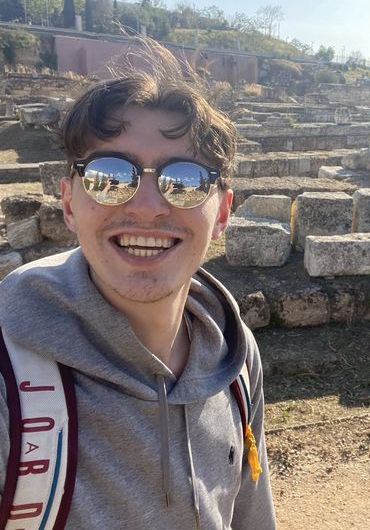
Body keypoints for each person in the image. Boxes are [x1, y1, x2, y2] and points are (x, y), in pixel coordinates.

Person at [0, 44, 277, 529]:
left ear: (224, 213)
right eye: (111, 175)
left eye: (185, 181)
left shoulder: (234, 354)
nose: (147, 206)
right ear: (69, 203)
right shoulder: (8, 374)